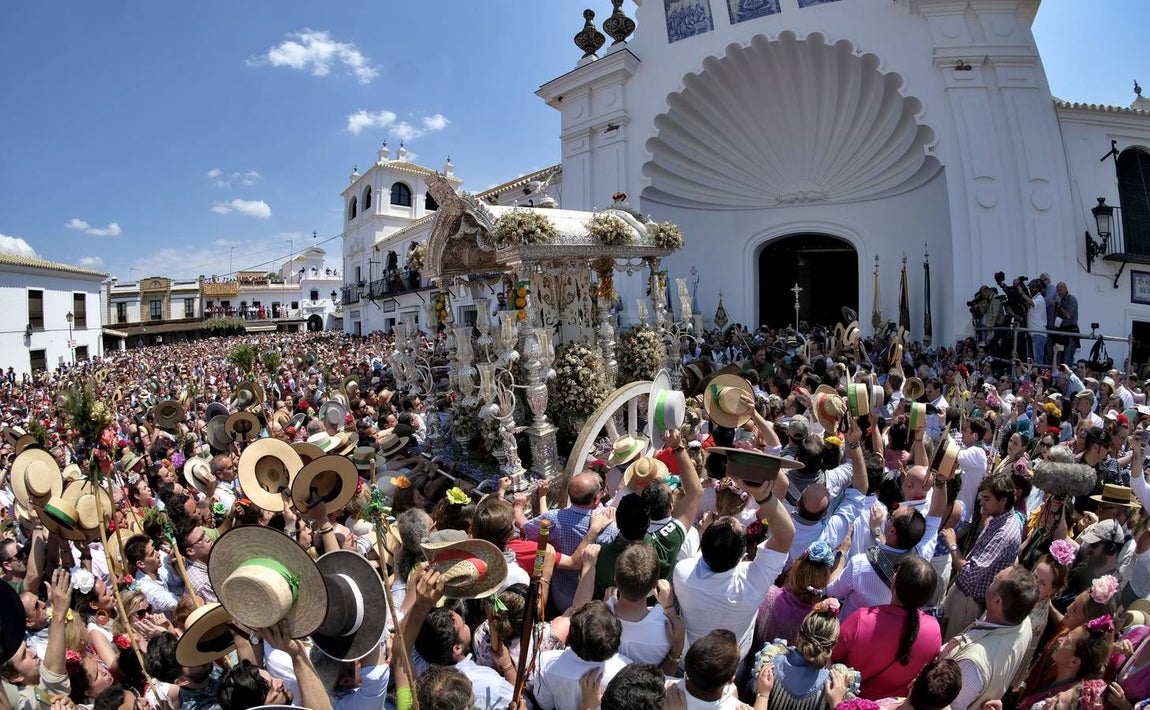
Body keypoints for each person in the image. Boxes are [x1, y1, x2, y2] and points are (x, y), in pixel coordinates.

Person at [672, 467, 795, 659]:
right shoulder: (753, 582)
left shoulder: (682, 571)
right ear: (742, 555)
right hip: (735, 658)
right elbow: (786, 535)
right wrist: (762, 497)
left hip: (689, 654)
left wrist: (703, 535)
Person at [832, 557, 942, 700]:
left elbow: (833, 658)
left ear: (894, 587)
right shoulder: (934, 630)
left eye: (897, 572)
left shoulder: (861, 619)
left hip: (850, 702)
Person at [941, 564, 1039, 710]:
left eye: (994, 580)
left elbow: (949, 706)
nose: (990, 582)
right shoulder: (1023, 623)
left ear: (998, 601)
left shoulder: (972, 663)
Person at [941, 474, 1023, 640]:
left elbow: (970, 574)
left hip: (967, 603)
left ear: (1003, 501)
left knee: (947, 643)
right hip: (963, 595)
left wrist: (952, 545)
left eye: (987, 498)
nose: (981, 502)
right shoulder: (1002, 518)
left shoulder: (1003, 534)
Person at [749, 601, 859, 710]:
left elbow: (749, 695)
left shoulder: (770, 662)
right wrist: (836, 703)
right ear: (833, 645)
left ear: (799, 634)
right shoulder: (836, 686)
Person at [1017, 617, 1113, 710]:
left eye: (1066, 641)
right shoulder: (1056, 675)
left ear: (1074, 662)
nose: (1059, 640)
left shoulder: (1064, 703)